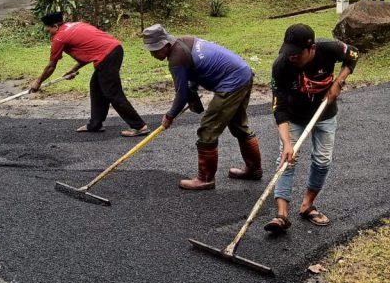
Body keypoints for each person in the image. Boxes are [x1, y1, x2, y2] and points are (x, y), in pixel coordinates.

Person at [141, 24, 262, 191]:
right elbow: (193, 73)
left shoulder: (176, 59)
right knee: (238, 124)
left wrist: (169, 116)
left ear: (165, 44)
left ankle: (205, 179)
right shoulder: (184, 42)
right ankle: (254, 169)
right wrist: (193, 94)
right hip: (243, 74)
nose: (153, 54)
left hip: (231, 83)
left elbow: (181, 95)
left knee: (208, 128)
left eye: (154, 50)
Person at [264, 24, 358, 233]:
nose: (292, 58)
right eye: (289, 53)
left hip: (325, 113)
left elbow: (354, 54)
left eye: (297, 54)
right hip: (295, 116)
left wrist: (338, 83)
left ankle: (307, 205)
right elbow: (279, 106)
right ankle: (281, 215)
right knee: (286, 159)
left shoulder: (330, 48)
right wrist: (287, 142)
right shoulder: (281, 65)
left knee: (322, 159)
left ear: (311, 49)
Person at [30, 12, 148, 137]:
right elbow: (89, 50)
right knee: (96, 87)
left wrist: (38, 82)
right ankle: (95, 124)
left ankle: (139, 126)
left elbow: (51, 66)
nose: (49, 33)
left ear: (55, 26)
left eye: (49, 30)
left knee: (112, 93)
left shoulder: (59, 37)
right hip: (115, 49)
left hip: (106, 56)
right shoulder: (74, 25)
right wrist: (74, 69)